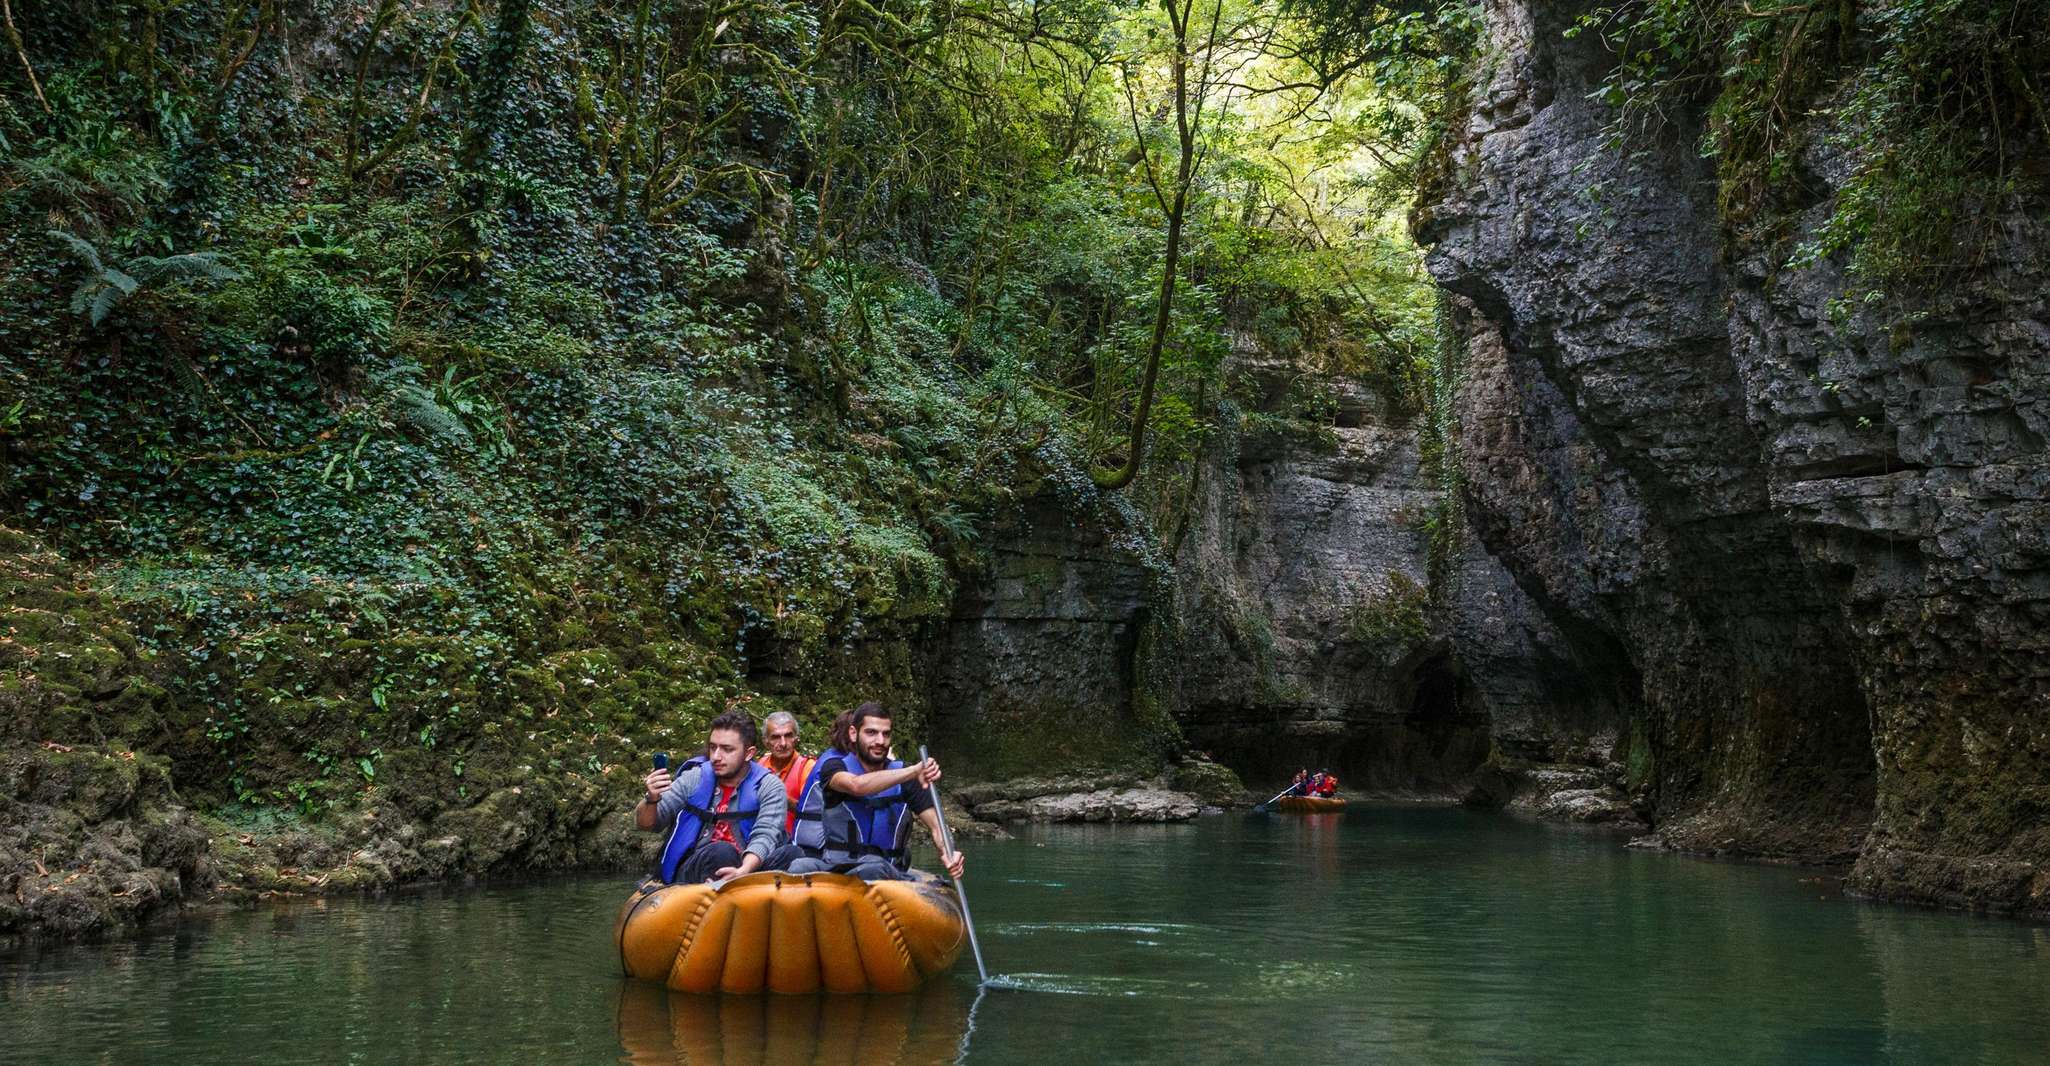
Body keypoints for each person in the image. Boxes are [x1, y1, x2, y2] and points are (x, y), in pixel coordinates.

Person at [785, 702, 964, 882]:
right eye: (871, 733)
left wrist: (948, 851)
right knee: (799, 866)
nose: (880, 741)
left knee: (873, 867)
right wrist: (913, 772)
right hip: (837, 867)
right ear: (853, 734)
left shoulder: (907, 778)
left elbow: (937, 826)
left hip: (884, 868)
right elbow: (857, 786)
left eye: (886, 734)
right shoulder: (834, 767)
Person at [635, 711, 787, 884]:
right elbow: (646, 824)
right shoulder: (695, 777)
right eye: (713, 747)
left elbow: (765, 835)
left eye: (727, 749)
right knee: (722, 852)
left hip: (746, 869)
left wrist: (743, 871)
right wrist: (651, 798)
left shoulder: (770, 786)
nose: (716, 757)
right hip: (697, 866)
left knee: (791, 854)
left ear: (749, 753)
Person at [757, 710, 815, 836]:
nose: (783, 743)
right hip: (760, 837)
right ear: (765, 742)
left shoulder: (807, 767)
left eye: (788, 736)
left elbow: (812, 811)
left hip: (795, 842)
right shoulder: (759, 765)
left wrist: (779, 796)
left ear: (796, 739)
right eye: (775, 737)